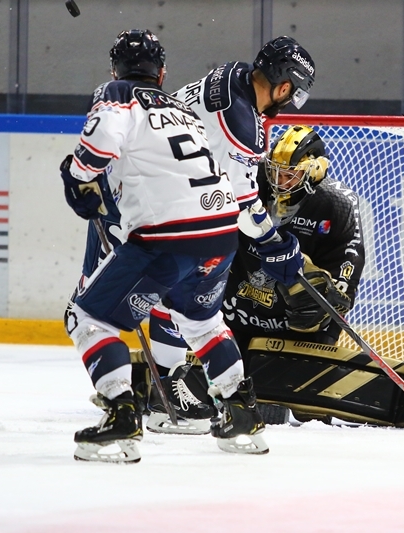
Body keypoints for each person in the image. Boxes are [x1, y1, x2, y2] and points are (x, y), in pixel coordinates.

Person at [61, 29, 268, 463]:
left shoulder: (117, 93)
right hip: (220, 232)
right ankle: (241, 412)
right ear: (163, 73)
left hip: (166, 237)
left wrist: (77, 175)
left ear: (114, 69)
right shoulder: (182, 107)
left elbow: (98, 147)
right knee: (202, 321)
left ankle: (122, 414)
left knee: (85, 316)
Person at [152, 125, 404, 428]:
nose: (279, 181)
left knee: (309, 408)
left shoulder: (337, 204)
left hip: (298, 328)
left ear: (315, 170)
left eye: (290, 174)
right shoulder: (250, 185)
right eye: (275, 171)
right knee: (199, 377)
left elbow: (344, 285)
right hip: (238, 315)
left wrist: (322, 297)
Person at [136, 36, 319, 434]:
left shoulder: (231, 73)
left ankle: (160, 397)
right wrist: (277, 244)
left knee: (172, 290)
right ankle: (164, 398)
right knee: (192, 295)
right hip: (161, 202)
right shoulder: (241, 124)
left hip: (148, 187)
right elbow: (242, 206)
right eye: (291, 95)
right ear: (284, 86)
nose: (287, 104)